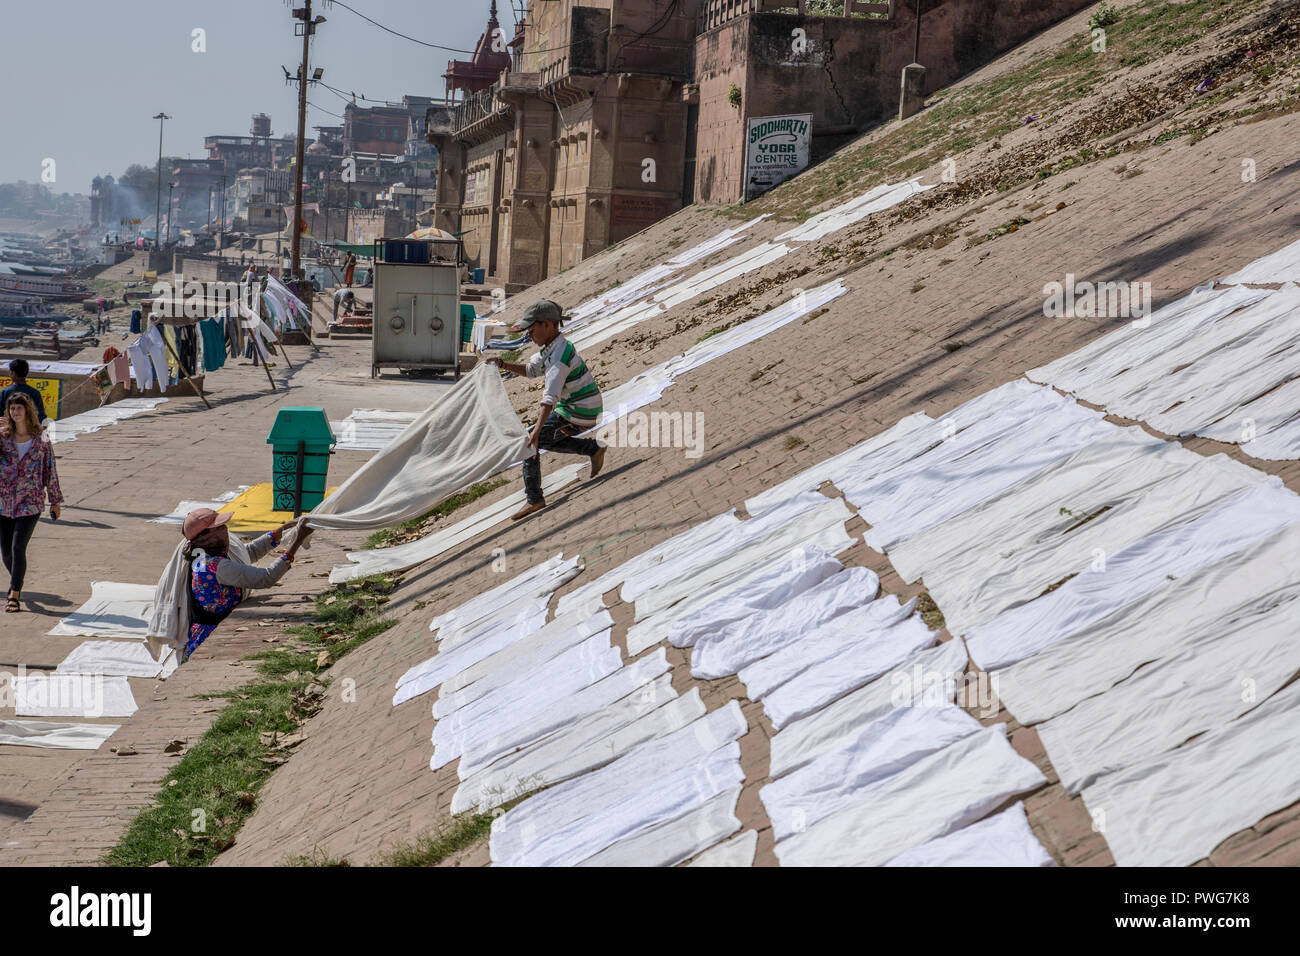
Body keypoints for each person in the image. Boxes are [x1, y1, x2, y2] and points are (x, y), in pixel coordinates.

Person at [485, 299, 605, 521]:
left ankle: (534, 498)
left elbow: (549, 399)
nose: (530, 336)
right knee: (544, 438)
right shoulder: (552, 348)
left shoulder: (558, 358)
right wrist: (503, 364)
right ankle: (592, 449)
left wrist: (535, 431)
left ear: (549, 325)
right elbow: (532, 370)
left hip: (581, 411)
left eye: (532, 331)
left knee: (529, 441)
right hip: (579, 408)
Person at [179, 508, 311, 662]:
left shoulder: (202, 553)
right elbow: (266, 577)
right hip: (212, 637)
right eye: (219, 528)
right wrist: (297, 542)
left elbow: (247, 553)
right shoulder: (215, 566)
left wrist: (282, 530)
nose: (225, 530)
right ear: (205, 536)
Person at [0, 393, 62, 612]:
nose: (15, 412)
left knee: (18, 547)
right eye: (12, 409)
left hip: (30, 501)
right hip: (4, 501)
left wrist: (54, 500)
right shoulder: (3, 436)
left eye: (19, 408)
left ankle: (14, 594)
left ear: (27, 410)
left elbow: (50, 469)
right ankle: (18, 578)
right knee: (6, 551)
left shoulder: (42, 438)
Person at [0, 359, 48, 424]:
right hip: (29, 431)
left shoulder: (4, 392)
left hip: (9, 429)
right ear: (27, 373)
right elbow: (41, 417)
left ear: (12, 373)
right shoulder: (35, 393)